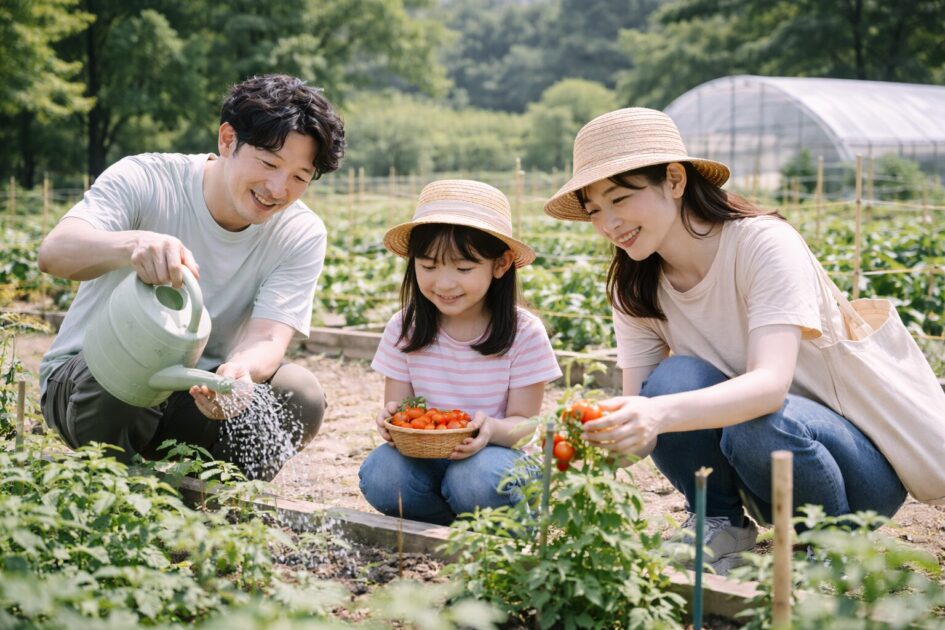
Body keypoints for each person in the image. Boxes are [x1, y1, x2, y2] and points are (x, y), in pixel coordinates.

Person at [543, 107, 907, 572]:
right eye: (595, 210)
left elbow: (769, 387)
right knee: (672, 379)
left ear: (674, 180)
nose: (609, 223)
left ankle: (836, 544)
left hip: (856, 473)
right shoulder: (634, 286)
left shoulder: (762, 244)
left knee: (750, 417)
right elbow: (643, 411)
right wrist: (597, 435)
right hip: (758, 473)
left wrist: (655, 413)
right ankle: (720, 521)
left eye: (620, 198)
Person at [37, 74, 346, 481]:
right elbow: (54, 253)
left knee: (299, 394)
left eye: (299, 177)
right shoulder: (147, 179)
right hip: (91, 381)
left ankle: (213, 497)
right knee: (133, 364)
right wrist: (133, 244)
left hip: (197, 391)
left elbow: (269, 338)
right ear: (227, 139)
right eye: (269, 163)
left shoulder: (300, 232)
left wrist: (239, 374)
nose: (277, 189)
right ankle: (112, 486)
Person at [358, 179, 562, 525]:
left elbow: (525, 426)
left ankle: (498, 521)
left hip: (498, 459)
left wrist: (489, 430)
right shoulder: (404, 327)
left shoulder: (524, 332)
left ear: (501, 264)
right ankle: (451, 529)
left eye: (464, 268)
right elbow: (402, 410)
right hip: (428, 460)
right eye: (428, 266)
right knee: (382, 473)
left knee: (473, 478)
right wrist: (391, 421)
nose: (444, 283)